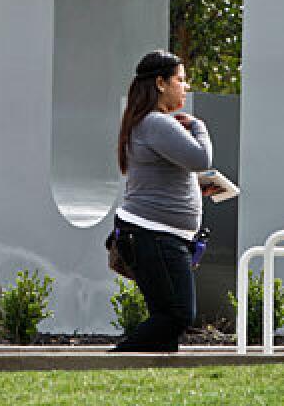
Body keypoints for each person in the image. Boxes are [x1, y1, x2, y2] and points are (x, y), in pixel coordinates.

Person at [111, 50, 212, 352]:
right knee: (178, 315)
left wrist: (197, 187)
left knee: (166, 326)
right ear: (160, 83)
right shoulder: (156, 123)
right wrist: (198, 126)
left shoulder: (146, 123)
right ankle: (110, 363)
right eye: (180, 80)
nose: (185, 87)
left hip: (154, 235)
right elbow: (200, 158)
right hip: (153, 235)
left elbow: (162, 175)